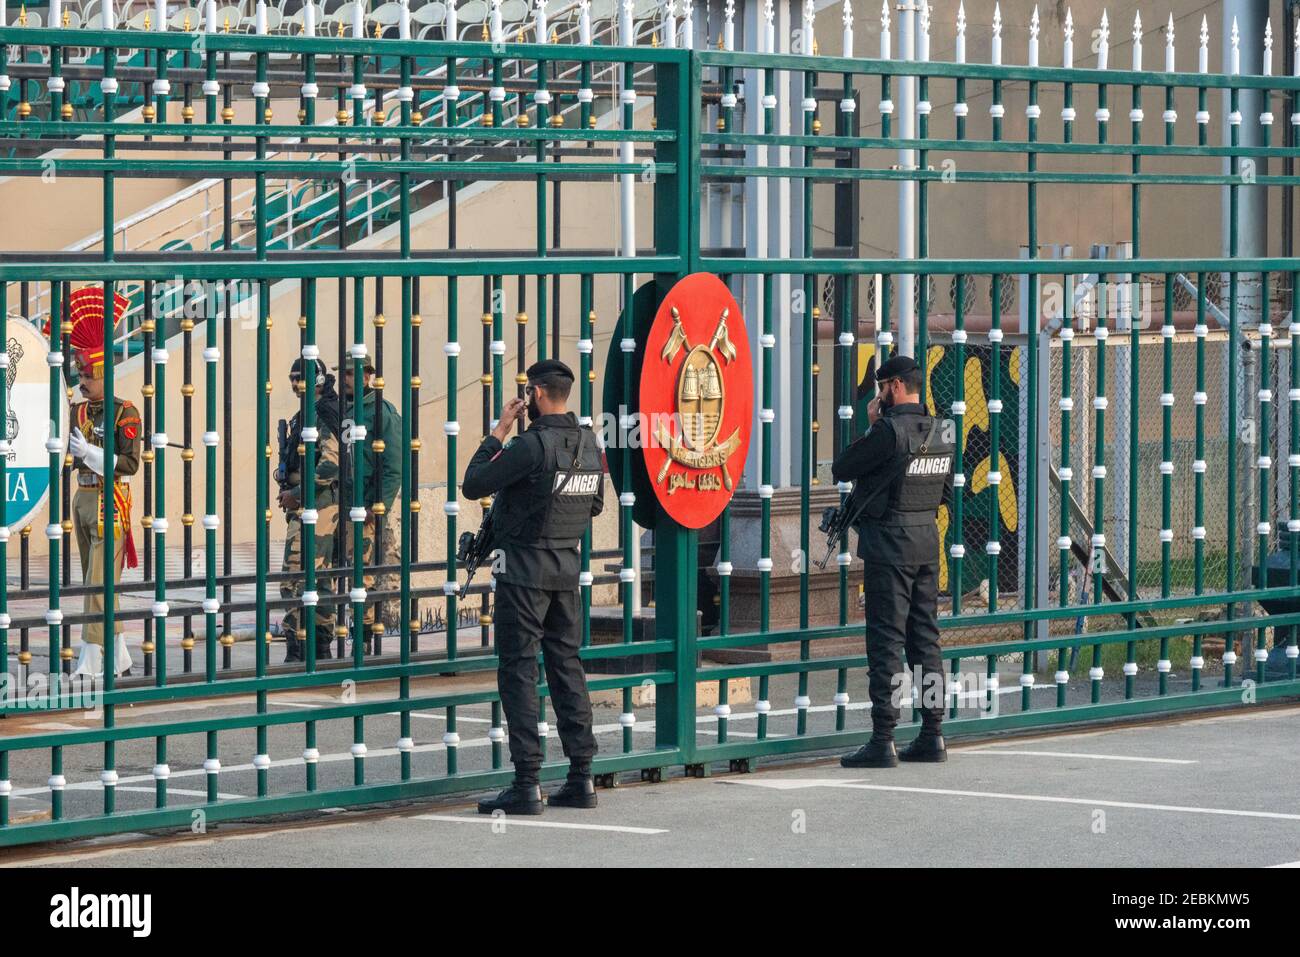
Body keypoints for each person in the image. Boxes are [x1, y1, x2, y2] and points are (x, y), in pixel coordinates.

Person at [462, 359, 604, 814]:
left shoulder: (530, 444)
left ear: (537, 395)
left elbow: (474, 483)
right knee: (567, 669)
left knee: (519, 671)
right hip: (565, 573)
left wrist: (500, 428)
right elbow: (595, 504)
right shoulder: (587, 441)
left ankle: (527, 783)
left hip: (524, 575)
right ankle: (582, 778)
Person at [831, 354, 954, 767]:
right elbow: (946, 493)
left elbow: (843, 466)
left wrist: (870, 425)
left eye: (880, 387)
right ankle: (932, 734)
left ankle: (883, 739)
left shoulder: (886, 431)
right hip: (925, 543)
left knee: (886, 644)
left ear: (895, 387)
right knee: (926, 642)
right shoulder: (943, 430)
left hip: (889, 546)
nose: (878, 395)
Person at [65, 287, 142, 678]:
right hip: (83, 498)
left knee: (97, 584)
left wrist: (94, 455)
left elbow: (129, 463)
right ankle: (120, 658)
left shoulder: (124, 412)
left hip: (110, 500)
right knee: (92, 581)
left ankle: (92, 663)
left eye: (87, 375)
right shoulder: (78, 410)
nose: (82, 380)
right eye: (79, 374)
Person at [277, 357, 343, 662]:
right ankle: (310, 645)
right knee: (313, 576)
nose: (294, 384)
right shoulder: (303, 415)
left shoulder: (324, 413)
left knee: (299, 575)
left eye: (300, 378)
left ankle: (306, 644)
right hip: (303, 503)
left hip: (317, 504)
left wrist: (297, 493)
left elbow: (331, 464)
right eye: (291, 378)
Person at [337, 360, 402, 651]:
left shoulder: (381, 412)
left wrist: (379, 506)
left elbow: (393, 466)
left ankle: (362, 641)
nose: (345, 380)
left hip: (365, 507)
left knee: (363, 575)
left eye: (351, 374)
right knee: (336, 572)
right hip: (338, 505)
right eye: (344, 374)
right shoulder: (342, 410)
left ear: (367, 375)